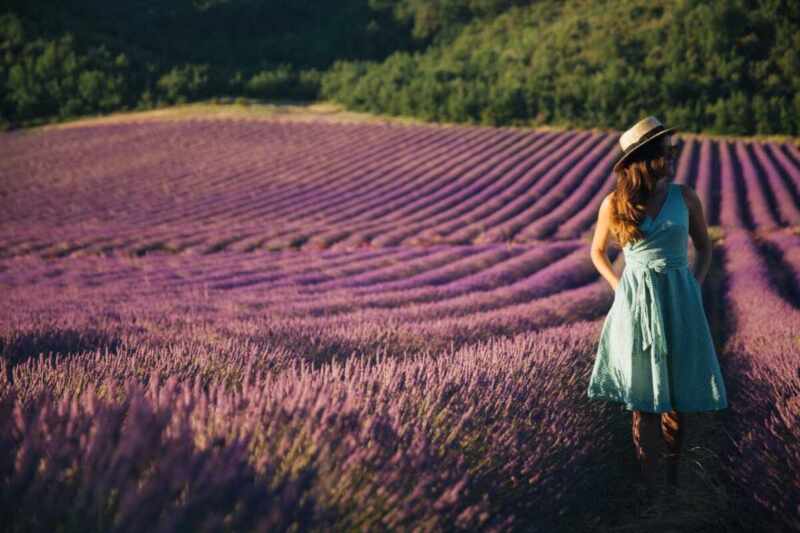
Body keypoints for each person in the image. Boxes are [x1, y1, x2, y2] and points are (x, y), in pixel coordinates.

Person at [586, 116, 729, 494]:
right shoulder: (614, 204)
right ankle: (651, 489)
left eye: (672, 149)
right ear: (646, 159)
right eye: (666, 151)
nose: (673, 155)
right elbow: (597, 252)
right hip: (636, 303)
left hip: (678, 298)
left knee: (677, 397)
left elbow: (705, 245)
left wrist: (694, 284)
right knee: (643, 400)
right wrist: (620, 288)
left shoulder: (685, 197)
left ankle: (672, 481)